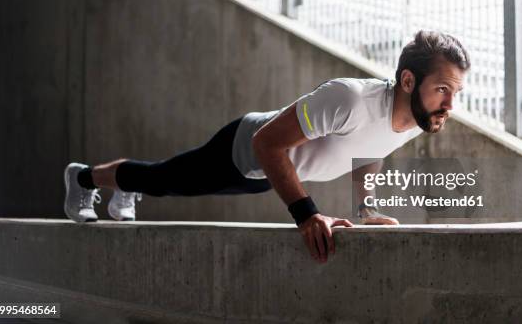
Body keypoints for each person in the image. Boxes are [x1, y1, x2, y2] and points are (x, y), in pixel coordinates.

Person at [64, 29, 470, 263]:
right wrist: (307, 216)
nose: (450, 105)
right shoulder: (348, 99)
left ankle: (124, 188)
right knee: (163, 180)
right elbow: (266, 142)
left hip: (270, 175)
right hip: (244, 149)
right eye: (443, 90)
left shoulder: (420, 117)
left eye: (456, 93)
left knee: (162, 179)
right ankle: (82, 178)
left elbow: (372, 150)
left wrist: (366, 210)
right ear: (408, 82)